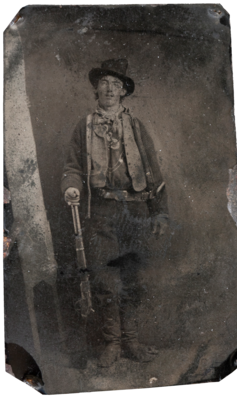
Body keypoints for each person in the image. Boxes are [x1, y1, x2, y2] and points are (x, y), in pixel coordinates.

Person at [61, 59, 169, 367]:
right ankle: (112, 344)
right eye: (105, 83)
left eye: (116, 84)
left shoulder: (135, 125)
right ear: (96, 88)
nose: (110, 88)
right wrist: (72, 187)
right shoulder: (84, 127)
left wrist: (160, 212)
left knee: (132, 277)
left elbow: (153, 171)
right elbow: (72, 167)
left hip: (135, 211)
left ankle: (132, 343)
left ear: (123, 92)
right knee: (107, 280)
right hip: (102, 211)